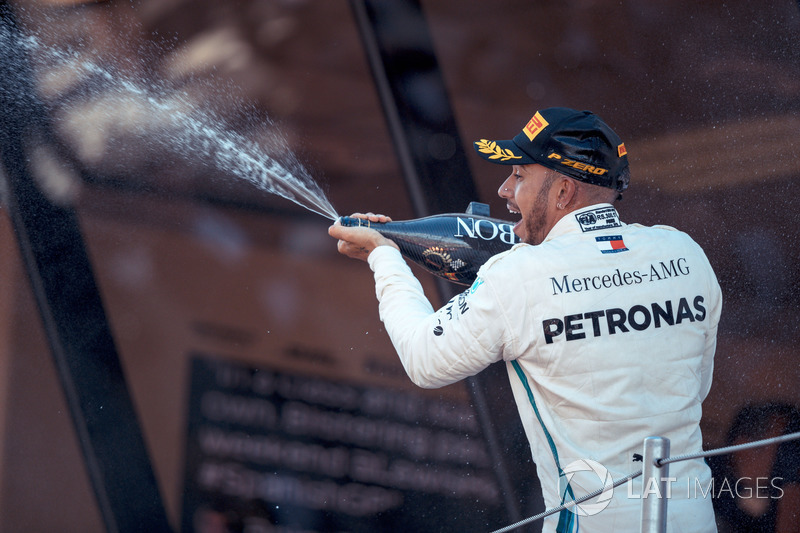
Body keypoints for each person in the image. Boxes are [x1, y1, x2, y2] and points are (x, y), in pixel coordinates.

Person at [329, 107, 722, 532]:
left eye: (518, 175)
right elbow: (693, 389)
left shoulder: (520, 274)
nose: (503, 189)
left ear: (563, 192)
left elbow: (425, 360)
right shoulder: (683, 252)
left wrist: (384, 257)